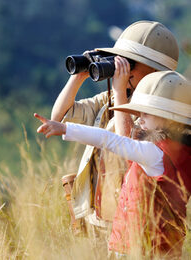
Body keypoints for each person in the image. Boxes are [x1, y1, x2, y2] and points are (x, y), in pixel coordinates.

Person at [35, 71, 191, 258]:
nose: (139, 119)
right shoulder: (181, 153)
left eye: (146, 114)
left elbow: (110, 140)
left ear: (169, 119)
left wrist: (65, 128)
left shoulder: (154, 153)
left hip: (136, 246)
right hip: (165, 247)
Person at [51, 20, 180, 236]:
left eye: (131, 63)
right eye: (120, 60)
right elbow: (60, 117)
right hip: (96, 216)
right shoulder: (110, 99)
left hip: (127, 222)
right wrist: (79, 75)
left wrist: (120, 92)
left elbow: (128, 145)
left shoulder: (159, 116)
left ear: (156, 72)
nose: (123, 68)